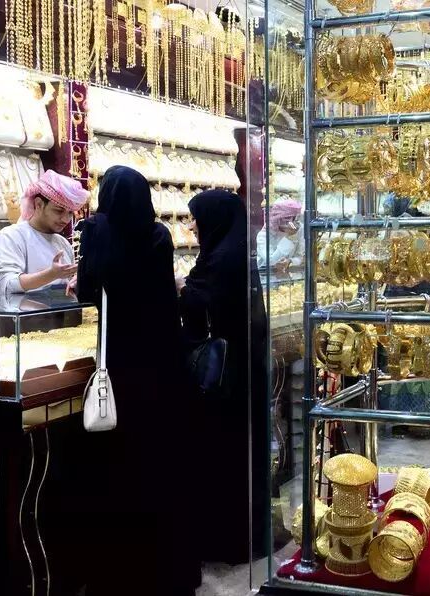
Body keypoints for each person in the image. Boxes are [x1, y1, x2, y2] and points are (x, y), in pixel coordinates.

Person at [75, 166, 198, 594]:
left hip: (123, 363)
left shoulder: (97, 231)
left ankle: (124, 574)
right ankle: (170, 570)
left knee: (123, 467)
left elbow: (88, 290)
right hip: (163, 360)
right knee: (163, 466)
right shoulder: (159, 235)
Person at [177, 189, 270, 564]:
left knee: (223, 460)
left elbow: (204, 305)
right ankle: (245, 536)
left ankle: (225, 540)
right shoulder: (234, 254)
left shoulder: (223, 260)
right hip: (242, 374)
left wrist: (182, 288)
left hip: (225, 381)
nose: (192, 227)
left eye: (196, 218)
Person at [0, 170, 89, 294]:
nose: (65, 219)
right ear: (39, 204)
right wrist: (51, 274)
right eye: (58, 211)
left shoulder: (62, 243)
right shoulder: (10, 236)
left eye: (70, 213)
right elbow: (6, 284)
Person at [256, 198, 304, 270]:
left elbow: (301, 257)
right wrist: (289, 238)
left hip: (290, 274)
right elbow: (271, 261)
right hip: (267, 274)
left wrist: (290, 261)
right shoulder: (264, 235)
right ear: (278, 218)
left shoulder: (298, 228)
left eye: (295, 218)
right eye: (288, 218)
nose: (292, 222)